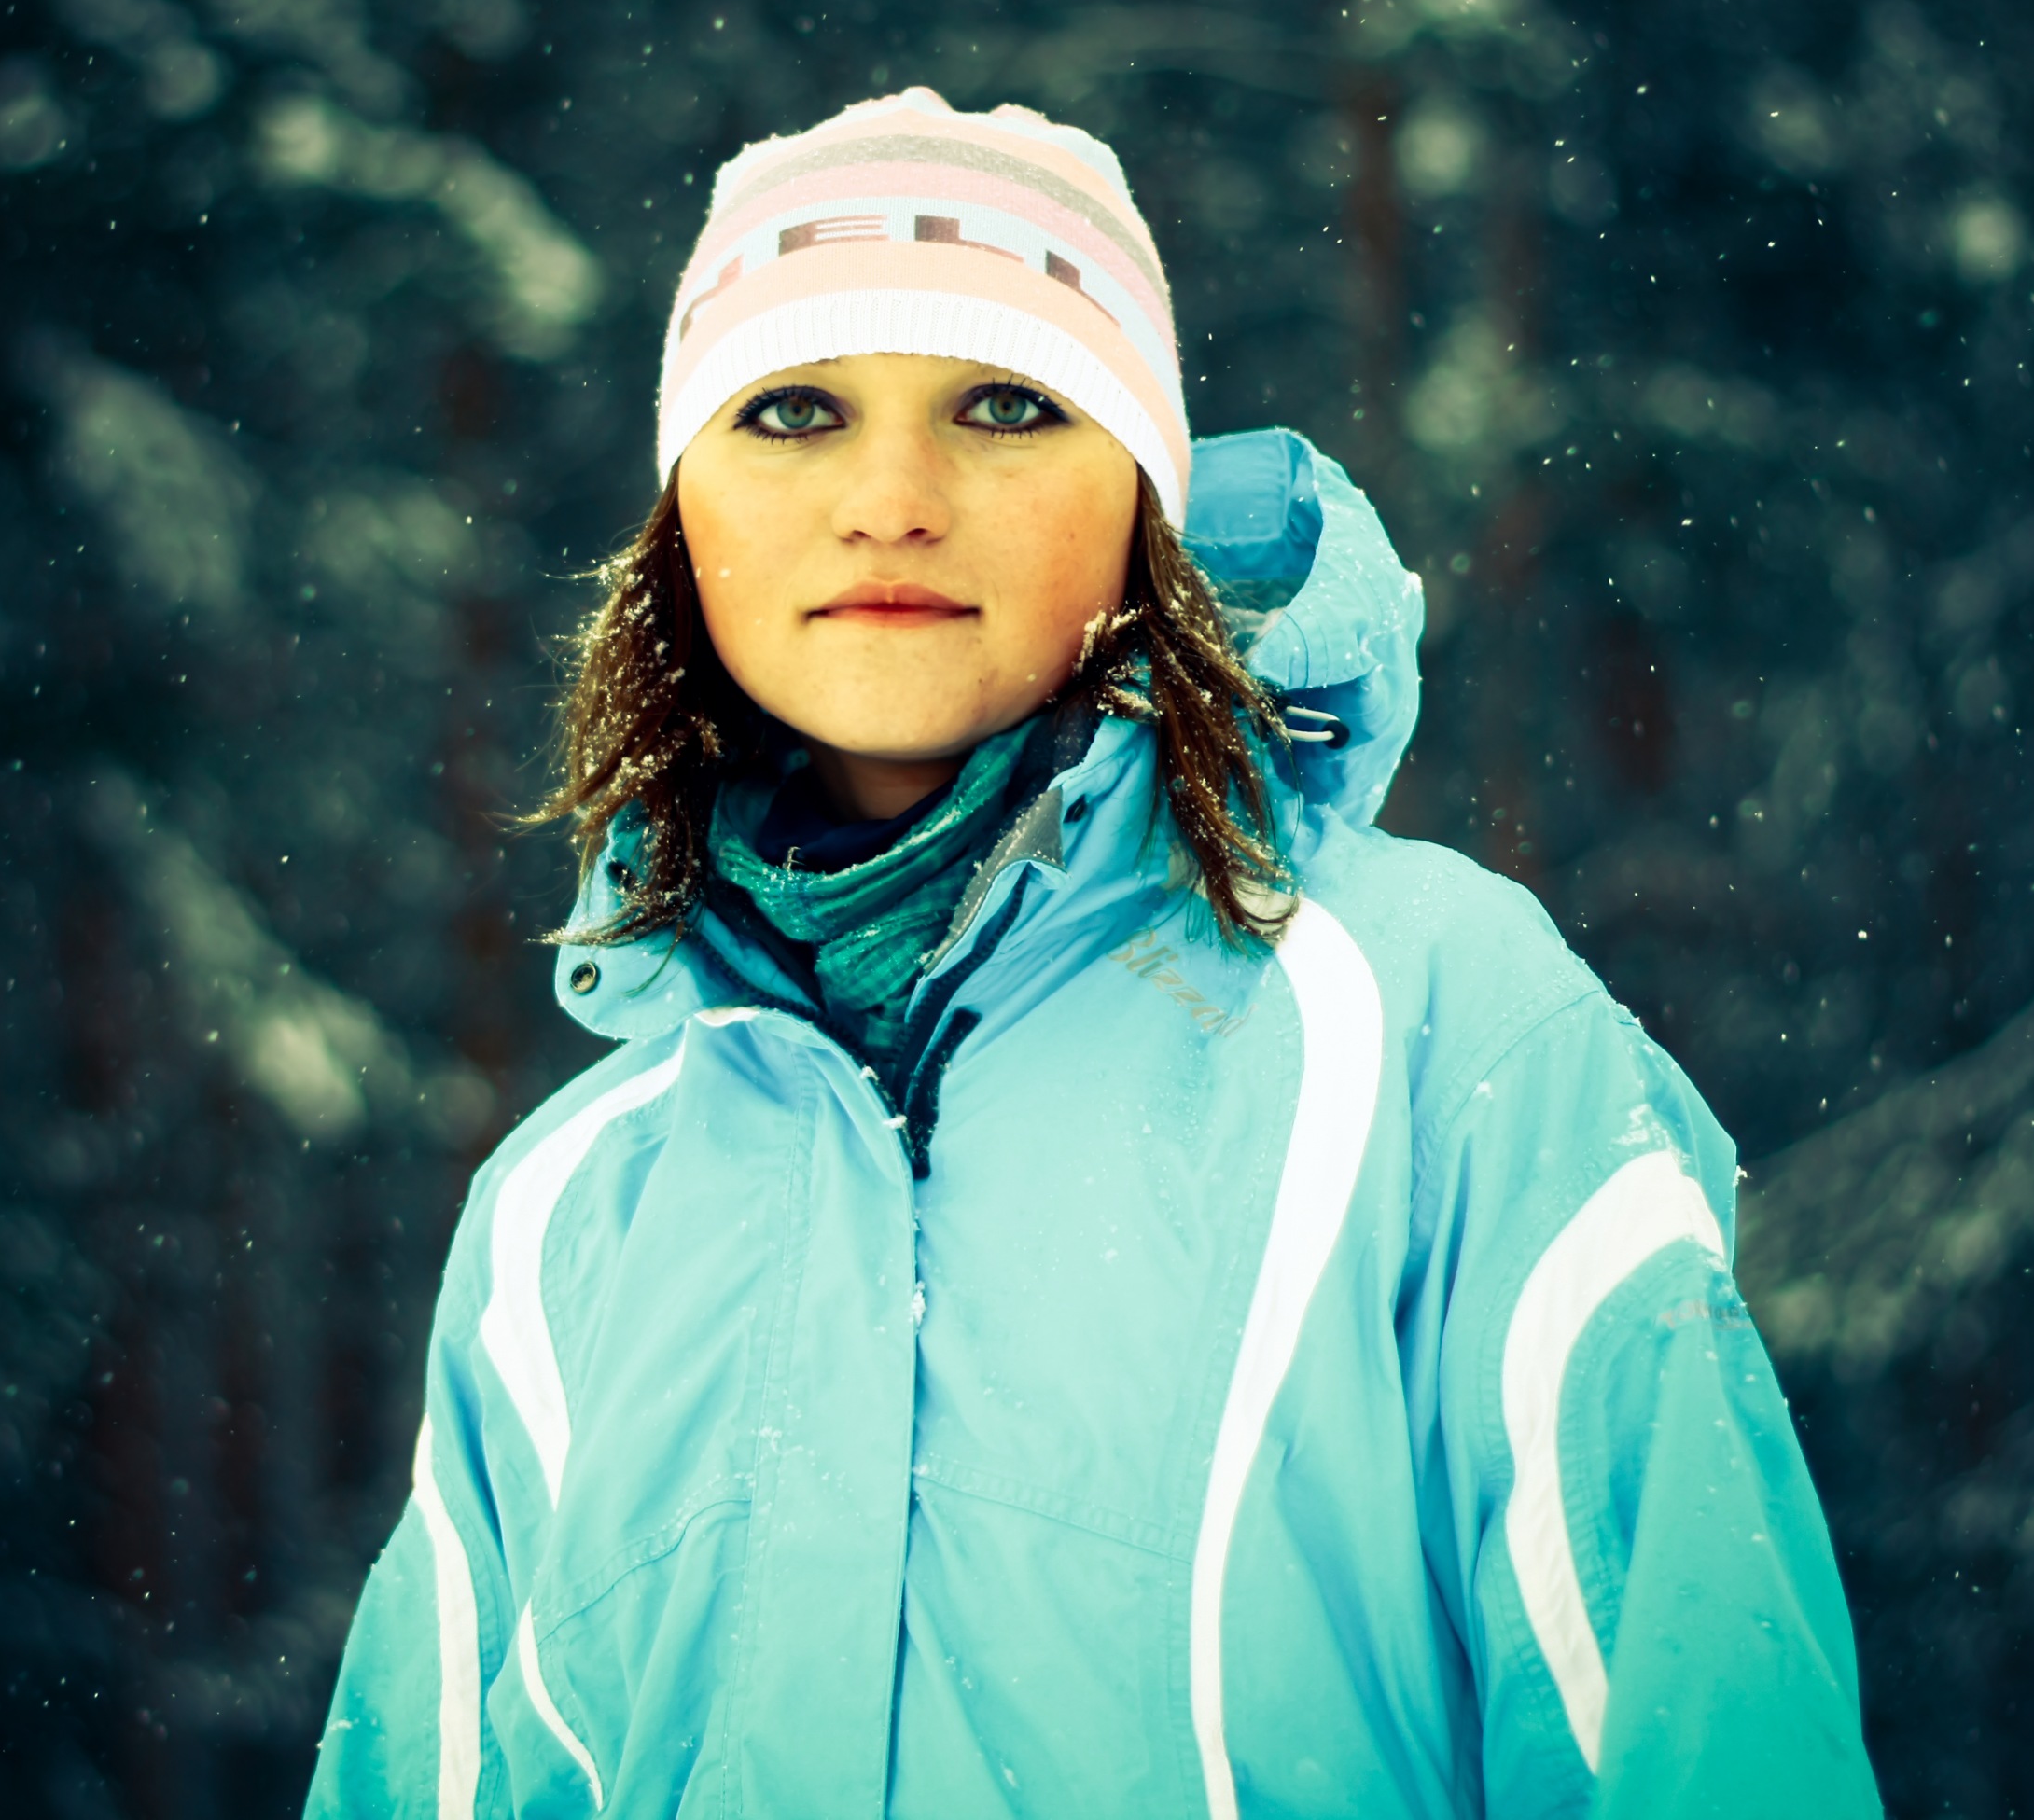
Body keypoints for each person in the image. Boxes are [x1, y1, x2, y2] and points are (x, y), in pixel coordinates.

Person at [306, 89, 1881, 1818]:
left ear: (1146, 497)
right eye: (793, 409)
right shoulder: (559, 1218)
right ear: (682, 519)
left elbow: (1700, 1727)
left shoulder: (1438, 1028)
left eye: (1006, 403)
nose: (890, 500)